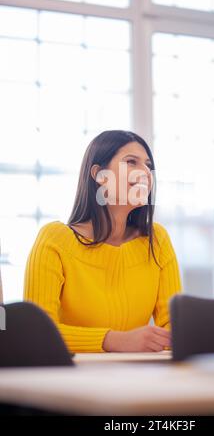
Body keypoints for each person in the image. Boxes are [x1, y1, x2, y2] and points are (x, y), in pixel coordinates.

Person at [23, 130, 182, 353]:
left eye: (148, 165)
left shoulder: (157, 241)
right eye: (131, 162)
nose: (146, 172)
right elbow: (34, 333)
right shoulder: (54, 240)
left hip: (143, 380)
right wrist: (114, 340)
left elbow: (175, 330)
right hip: (70, 381)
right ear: (99, 176)